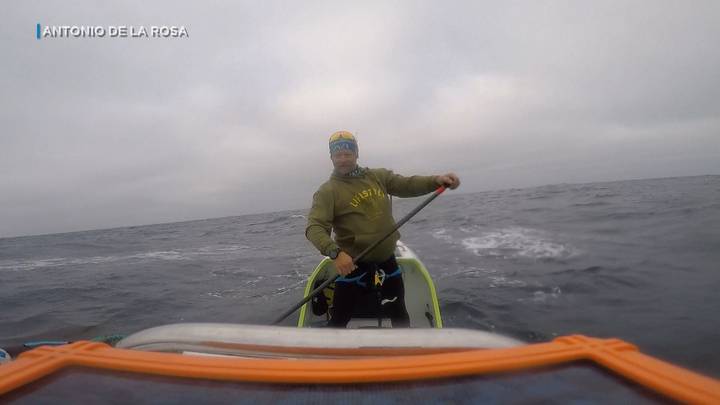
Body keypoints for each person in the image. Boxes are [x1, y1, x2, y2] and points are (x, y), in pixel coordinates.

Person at [305, 130, 460, 328]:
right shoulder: (328, 191)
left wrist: (436, 181)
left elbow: (407, 185)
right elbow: (314, 227)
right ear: (331, 158)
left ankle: (403, 356)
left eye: (347, 154)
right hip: (352, 268)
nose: (343, 159)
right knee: (338, 323)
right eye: (338, 155)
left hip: (388, 265)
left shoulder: (378, 176)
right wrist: (336, 253)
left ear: (356, 153)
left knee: (400, 316)